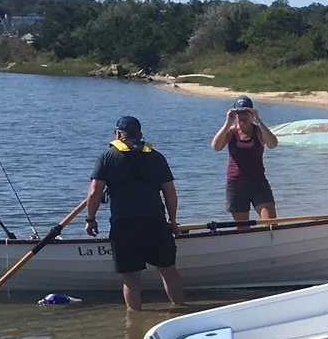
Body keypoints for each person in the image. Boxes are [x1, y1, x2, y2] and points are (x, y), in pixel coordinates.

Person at [85, 115, 186, 310]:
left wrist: (91, 219)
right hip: (155, 221)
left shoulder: (107, 157)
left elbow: (94, 192)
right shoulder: (156, 156)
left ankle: (134, 325)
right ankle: (180, 310)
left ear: (118, 135)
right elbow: (170, 192)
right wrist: (172, 220)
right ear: (140, 134)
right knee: (169, 271)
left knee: (131, 278)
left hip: (125, 225)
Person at [210, 94, 279, 226]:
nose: (242, 116)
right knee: (243, 229)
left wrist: (258, 121)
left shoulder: (258, 131)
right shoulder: (231, 132)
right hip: (236, 185)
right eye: (239, 112)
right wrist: (227, 123)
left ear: (251, 113)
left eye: (246, 112)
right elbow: (216, 147)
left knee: (271, 224)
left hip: (259, 183)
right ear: (235, 114)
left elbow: (273, 144)